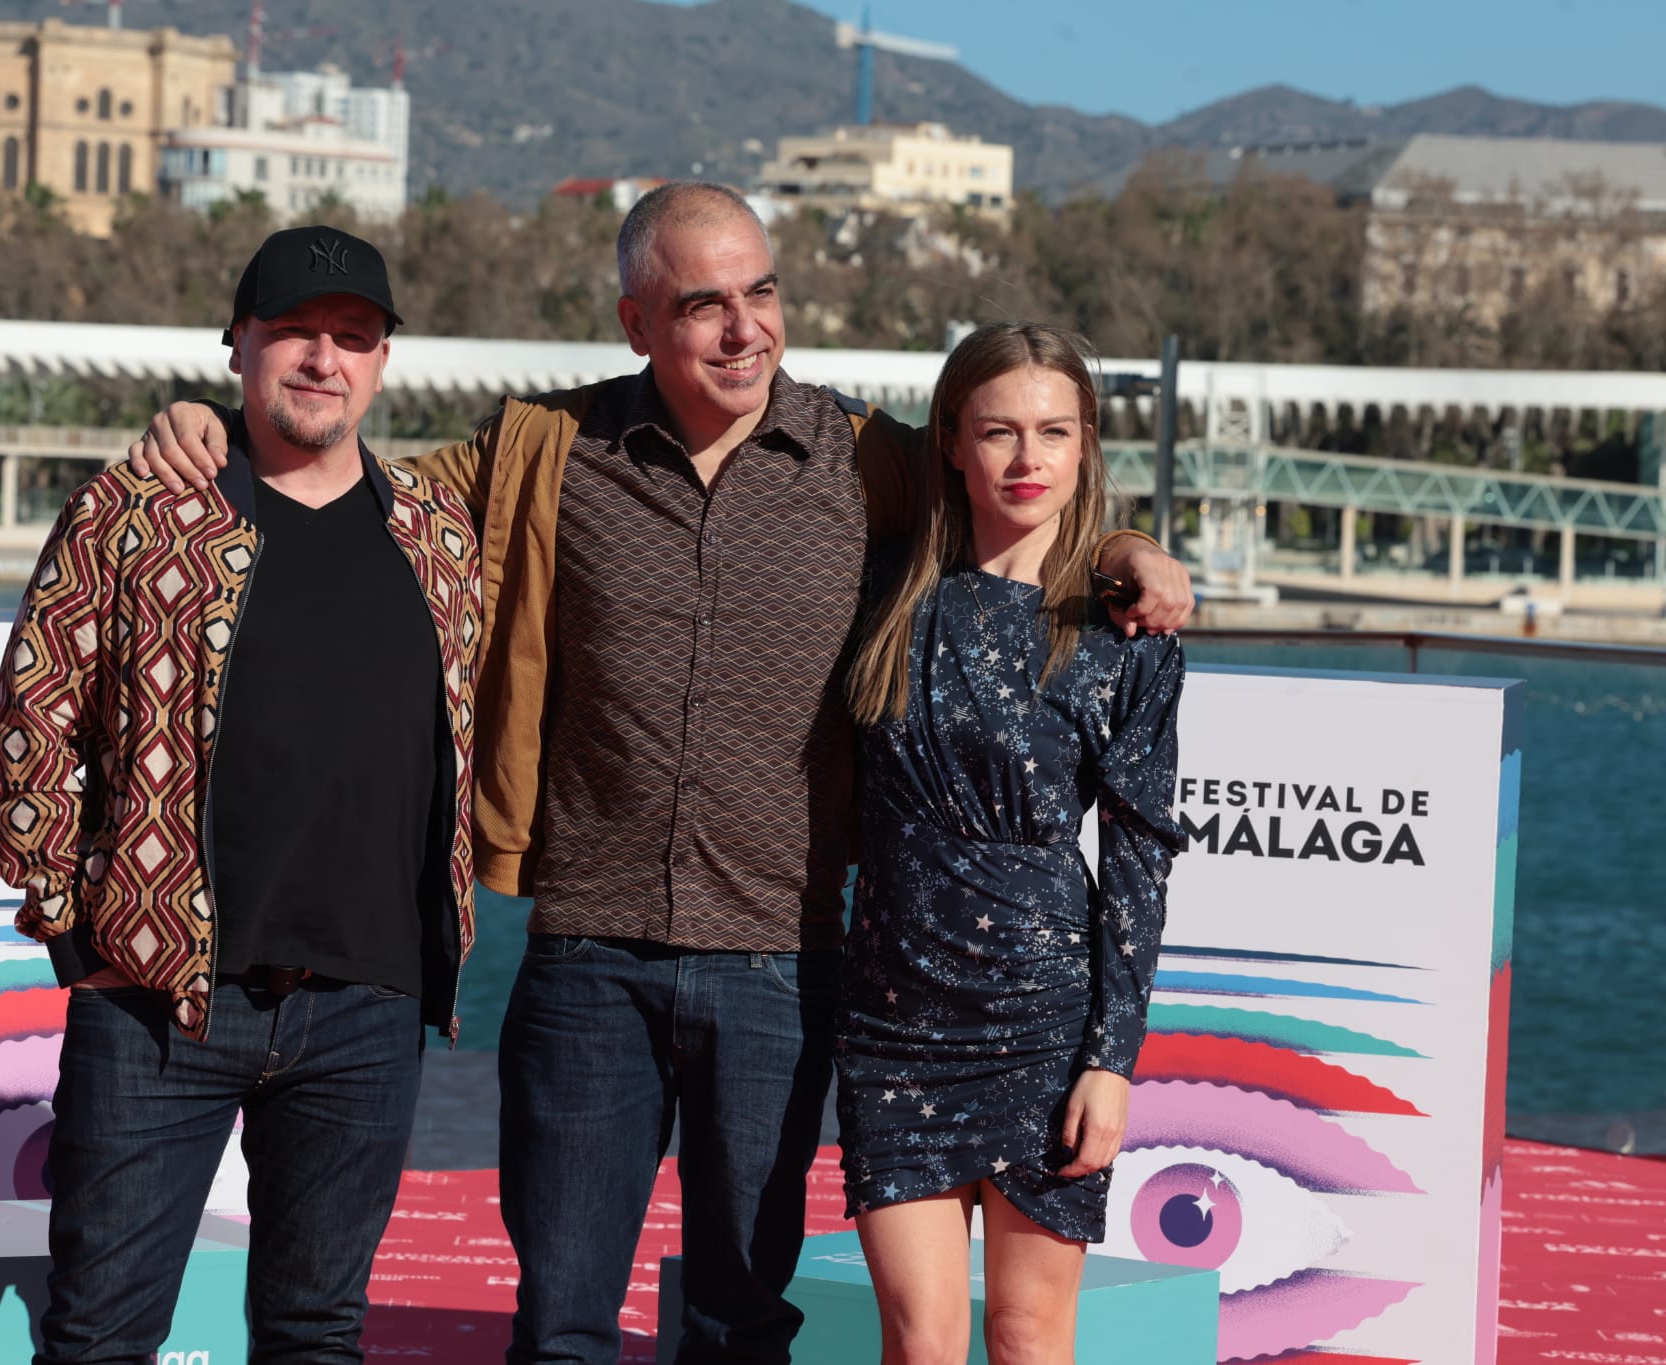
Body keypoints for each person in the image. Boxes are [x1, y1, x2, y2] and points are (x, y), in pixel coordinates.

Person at [127, 183, 1194, 1365]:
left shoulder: (861, 460)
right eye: (703, 305)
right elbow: (359, 488)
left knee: (737, 1326)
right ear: (637, 322)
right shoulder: (544, 449)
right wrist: (218, 426)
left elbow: (1005, 485)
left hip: (781, 972)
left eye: (761, 295)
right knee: (563, 1323)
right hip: (587, 962)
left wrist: (1125, 549)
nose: (744, 330)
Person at [0, 225, 482, 1364]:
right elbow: (32, 726)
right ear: (238, 347)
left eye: (352, 338)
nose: (323, 359)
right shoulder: (138, 513)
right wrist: (77, 935)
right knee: (100, 1334)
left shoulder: (437, 540)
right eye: (294, 333)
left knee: (316, 1334)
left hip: (367, 1007)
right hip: (160, 1005)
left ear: (382, 362)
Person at [836, 322, 1185, 1365]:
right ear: (950, 440)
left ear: (1084, 446)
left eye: (1052, 432)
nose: (1026, 460)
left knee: (1030, 1338)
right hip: (891, 1021)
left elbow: (1136, 863)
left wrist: (1110, 1064)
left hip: (1043, 1020)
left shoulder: (1123, 630)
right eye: (997, 432)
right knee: (919, 1340)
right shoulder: (879, 590)